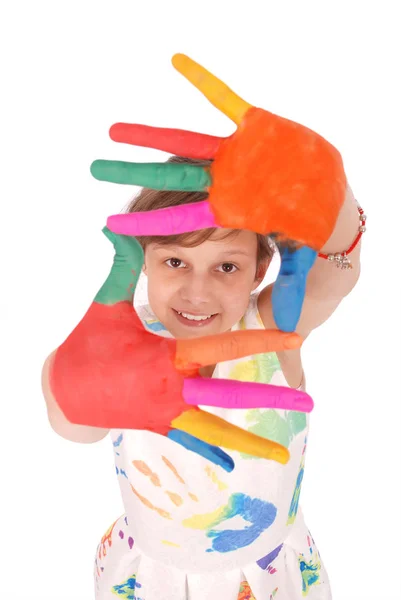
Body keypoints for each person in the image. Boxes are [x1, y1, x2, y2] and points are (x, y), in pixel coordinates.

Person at [41, 155, 364, 599]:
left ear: (258, 268)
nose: (198, 292)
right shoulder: (118, 349)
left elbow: (333, 279)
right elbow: (74, 428)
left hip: (267, 576)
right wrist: (64, 376)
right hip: (152, 577)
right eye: (175, 261)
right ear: (141, 261)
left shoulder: (272, 327)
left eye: (226, 267)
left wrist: (330, 181)